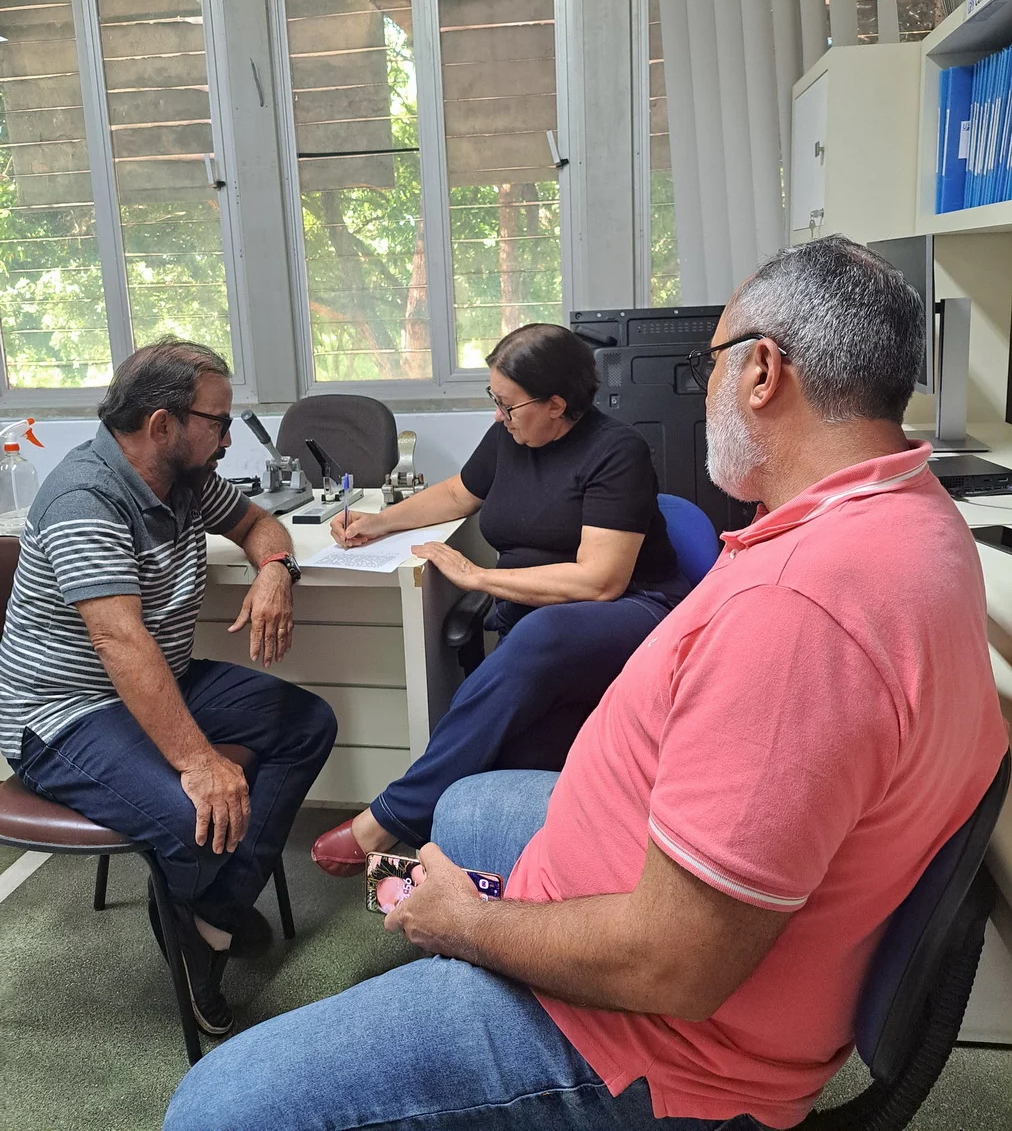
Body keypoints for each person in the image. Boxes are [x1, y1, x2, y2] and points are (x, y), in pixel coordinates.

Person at [163, 236, 1008, 1131]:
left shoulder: (801, 612)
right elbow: (460, 494)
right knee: (466, 804)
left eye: (709, 365)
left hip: (650, 1043)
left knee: (212, 1110)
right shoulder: (906, 512)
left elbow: (675, 966)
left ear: (762, 371)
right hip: (648, 875)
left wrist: (466, 926)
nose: (704, 389)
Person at [0, 339, 337, 1038]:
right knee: (193, 814)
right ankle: (201, 930)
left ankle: (208, 916)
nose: (227, 438)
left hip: (161, 678)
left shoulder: (185, 476)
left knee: (305, 722)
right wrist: (200, 761)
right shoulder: (84, 497)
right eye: (218, 421)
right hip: (62, 713)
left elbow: (256, 522)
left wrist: (276, 569)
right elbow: (119, 642)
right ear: (162, 424)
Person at [311, 322, 689, 875]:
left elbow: (599, 581)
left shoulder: (617, 451)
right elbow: (457, 493)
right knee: (505, 753)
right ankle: (445, 881)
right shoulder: (509, 439)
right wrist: (379, 522)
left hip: (629, 608)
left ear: (556, 404)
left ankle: (389, 817)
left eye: (507, 405)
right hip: (537, 627)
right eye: (495, 400)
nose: (497, 417)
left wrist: (479, 578)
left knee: (540, 633)